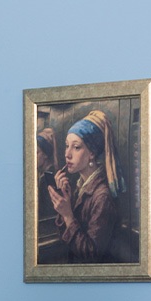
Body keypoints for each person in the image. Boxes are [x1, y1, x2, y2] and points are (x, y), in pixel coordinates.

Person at [48, 109, 124, 262]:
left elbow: (92, 255)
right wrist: (65, 202)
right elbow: (65, 239)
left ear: (92, 153)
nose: (67, 154)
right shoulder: (80, 187)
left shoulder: (103, 196)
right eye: (67, 146)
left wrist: (68, 215)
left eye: (76, 147)